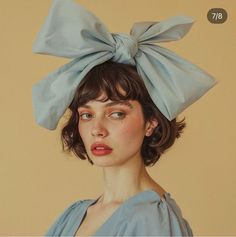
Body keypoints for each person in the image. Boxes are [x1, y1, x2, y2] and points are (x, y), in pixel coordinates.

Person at [31, 0, 217, 236]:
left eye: (116, 113)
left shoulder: (152, 220)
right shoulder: (76, 213)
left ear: (151, 122)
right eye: (87, 115)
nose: (97, 129)